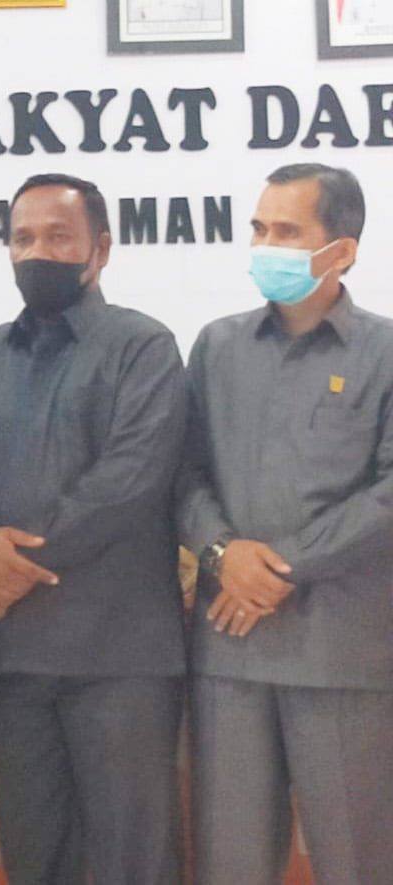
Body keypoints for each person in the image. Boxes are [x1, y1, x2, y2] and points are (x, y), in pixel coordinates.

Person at [0, 173, 187, 885]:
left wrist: (9, 564)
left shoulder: (143, 346)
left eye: (57, 237)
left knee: (134, 863)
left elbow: (130, 480)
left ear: (100, 249)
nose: (36, 252)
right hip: (12, 654)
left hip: (120, 656)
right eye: (22, 238)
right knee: (34, 858)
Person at [178, 163, 393, 884]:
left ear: (343, 250)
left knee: (358, 862)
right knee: (230, 863)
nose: (266, 245)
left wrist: (279, 567)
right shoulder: (217, 346)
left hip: (342, 651)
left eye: (288, 232)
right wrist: (221, 553)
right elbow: (183, 473)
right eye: (259, 229)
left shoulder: (384, 352)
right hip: (230, 649)